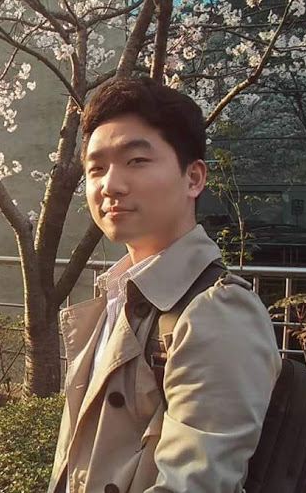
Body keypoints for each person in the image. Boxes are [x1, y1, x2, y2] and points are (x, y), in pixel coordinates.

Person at [47, 77, 281, 493]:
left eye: (136, 160)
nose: (110, 185)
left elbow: (196, 483)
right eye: (96, 168)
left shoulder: (217, 311)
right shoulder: (118, 294)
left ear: (194, 178)